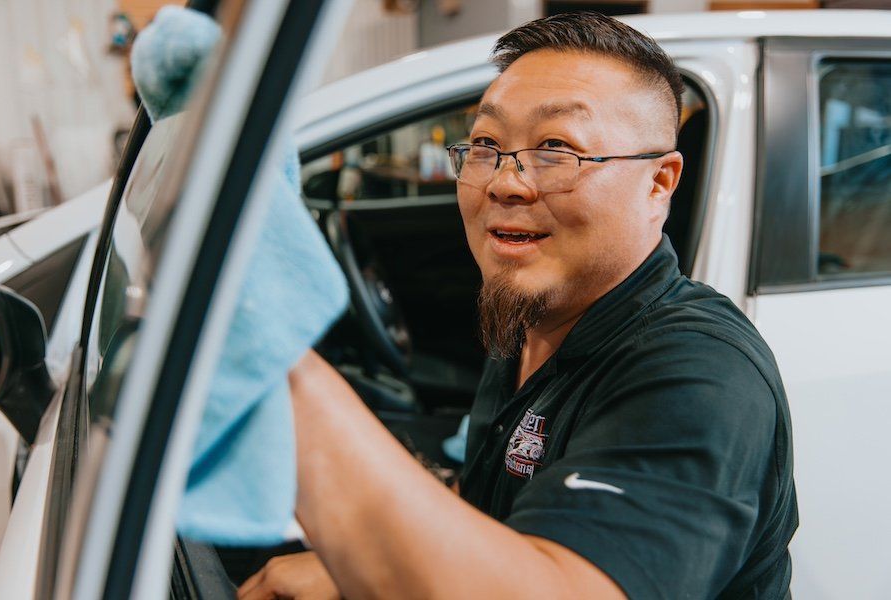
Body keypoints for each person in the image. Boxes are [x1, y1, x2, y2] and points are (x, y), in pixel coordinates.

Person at [238, 12, 797, 599]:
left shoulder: (700, 375)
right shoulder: (532, 317)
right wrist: (347, 567)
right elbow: (492, 505)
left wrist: (280, 369)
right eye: (486, 144)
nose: (506, 182)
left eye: (557, 148)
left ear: (659, 183)